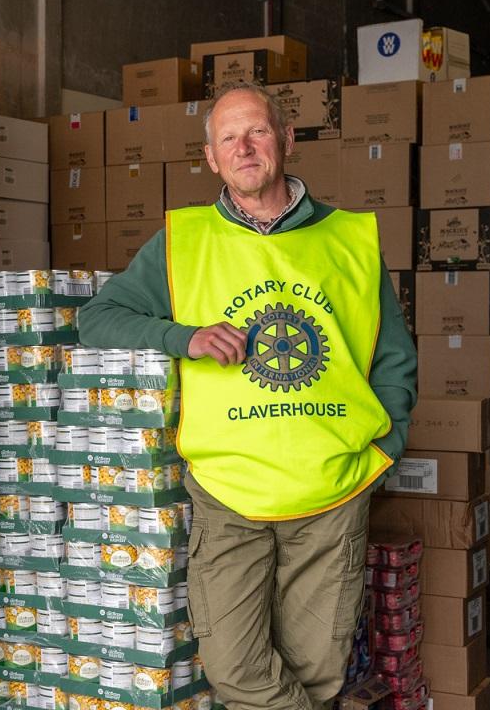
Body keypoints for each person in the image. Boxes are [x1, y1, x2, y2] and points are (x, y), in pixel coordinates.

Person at [78, 82, 416, 710]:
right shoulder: (182, 243)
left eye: (257, 131)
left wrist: (386, 445)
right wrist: (185, 336)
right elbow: (96, 318)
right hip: (228, 489)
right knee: (234, 665)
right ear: (210, 157)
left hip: (332, 489)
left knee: (317, 669)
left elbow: (392, 355)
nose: (245, 147)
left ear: (286, 141)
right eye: (228, 137)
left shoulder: (350, 241)